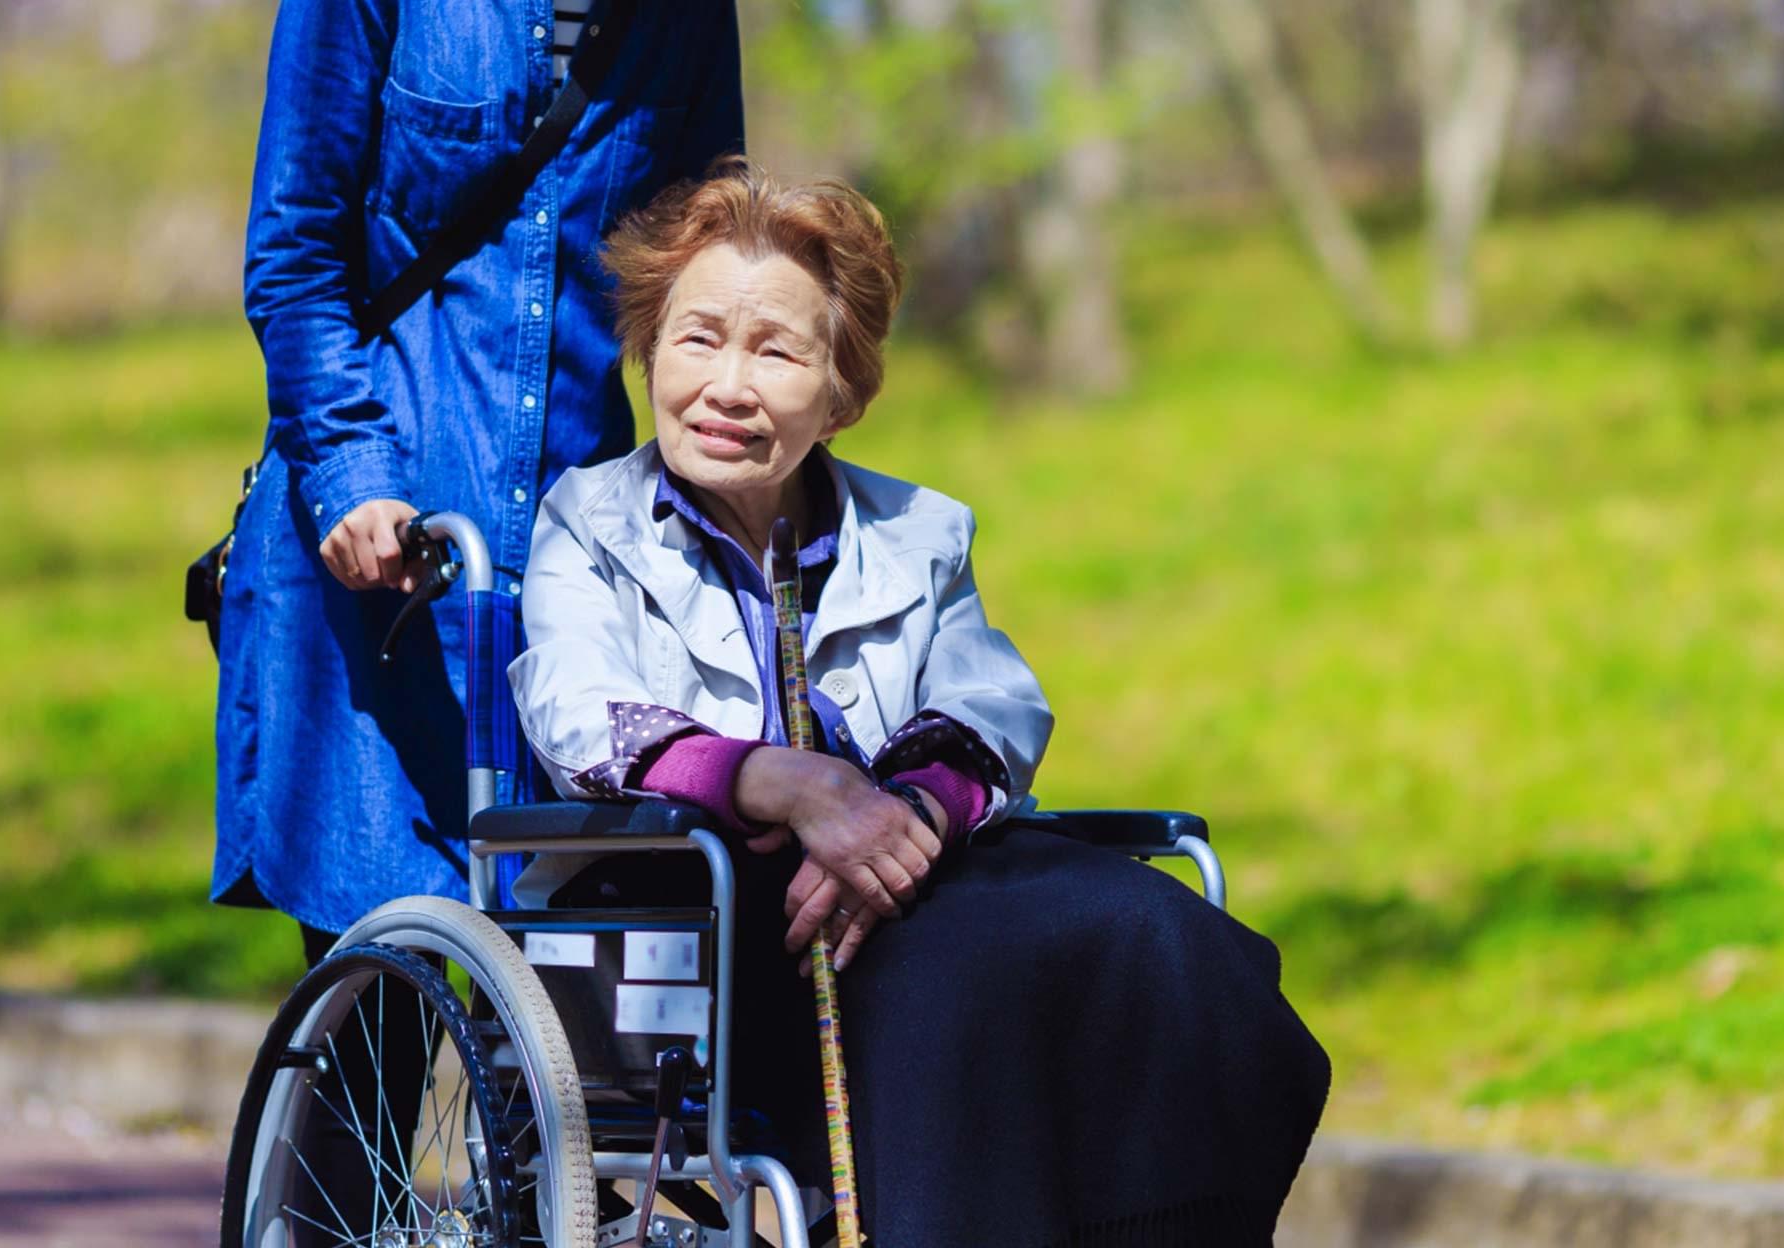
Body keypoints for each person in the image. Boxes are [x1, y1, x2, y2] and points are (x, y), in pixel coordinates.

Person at [511, 158, 1330, 1243]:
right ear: (649, 350)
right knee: (958, 987)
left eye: (777, 350)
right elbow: (577, 710)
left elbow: (994, 702)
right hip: (702, 914)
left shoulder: (918, 531)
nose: (728, 385)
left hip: (911, 875)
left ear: (841, 390)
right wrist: (785, 783)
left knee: (1163, 939)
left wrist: (911, 815)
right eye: (699, 337)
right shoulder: (586, 523)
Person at [210, 0, 744, 962]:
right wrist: (349, 476)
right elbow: (294, 252)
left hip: (578, 590)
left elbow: (708, 268)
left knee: (585, 1047)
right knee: (378, 1021)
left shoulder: (687, 15)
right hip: (384, 573)